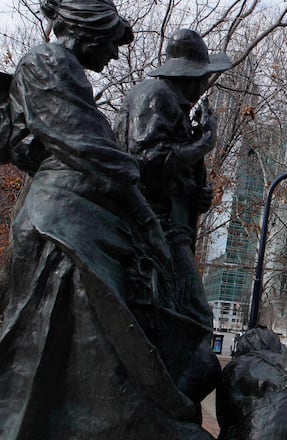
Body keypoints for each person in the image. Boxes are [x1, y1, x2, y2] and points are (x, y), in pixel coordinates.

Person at [0, 1, 211, 438]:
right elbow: (94, 151)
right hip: (63, 224)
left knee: (78, 343)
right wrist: (144, 214)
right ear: (92, 34)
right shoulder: (47, 62)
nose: (116, 56)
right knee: (60, 335)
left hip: (77, 218)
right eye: (113, 44)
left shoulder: (63, 70)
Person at [115, 28, 232, 407]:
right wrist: (204, 144)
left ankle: (162, 405)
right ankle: (164, 406)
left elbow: (172, 173)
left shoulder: (171, 102)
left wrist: (197, 192)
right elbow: (148, 162)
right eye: (202, 75)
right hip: (155, 230)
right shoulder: (156, 96)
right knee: (196, 318)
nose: (204, 84)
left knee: (181, 318)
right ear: (188, 73)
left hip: (170, 228)